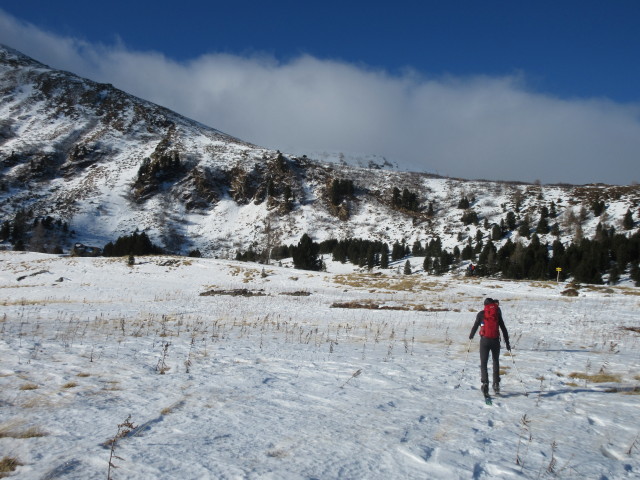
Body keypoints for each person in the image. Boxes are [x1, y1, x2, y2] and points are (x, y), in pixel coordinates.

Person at [469, 297, 511, 396]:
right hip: (495, 340)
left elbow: (475, 326)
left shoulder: (480, 314)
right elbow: (504, 329)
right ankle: (496, 384)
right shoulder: (497, 314)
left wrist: (471, 336)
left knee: (484, 362)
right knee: (495, 361)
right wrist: (507, 343)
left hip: (484, 341)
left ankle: (485, 383)